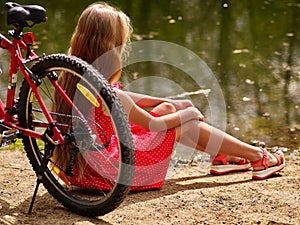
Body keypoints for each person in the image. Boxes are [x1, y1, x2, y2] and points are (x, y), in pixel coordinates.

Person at [55, 2, 285, 191]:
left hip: (81, 171)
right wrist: (187, 113)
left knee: (167, 109)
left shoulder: (71, 74)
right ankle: (259, 157)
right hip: (113, 175)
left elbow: (121, 95)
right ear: (112, 46)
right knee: (180, 122)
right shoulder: (104, 90)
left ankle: (222, 155)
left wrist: (169, 103)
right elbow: (154, 124)